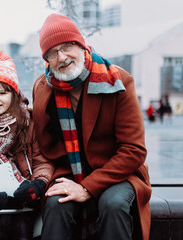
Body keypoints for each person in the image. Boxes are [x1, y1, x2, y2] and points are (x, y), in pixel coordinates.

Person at [32, 14, 151, 240]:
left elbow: (134, 151)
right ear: (46, 59)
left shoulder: (119, 81)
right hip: (68, 172)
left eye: (67, 46)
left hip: (118, 173)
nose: (62, 57)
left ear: (82, 45)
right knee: (56, 204)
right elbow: (42, 145)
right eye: (52, 52)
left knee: (113, 203)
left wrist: (87, 187)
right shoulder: (42, 87)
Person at [0, 50, 54, 240]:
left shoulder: (27, 122)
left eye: (3, 92)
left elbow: (42, 161)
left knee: (22, 227)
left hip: (26, 194)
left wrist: (38, 184)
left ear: (14, 94)